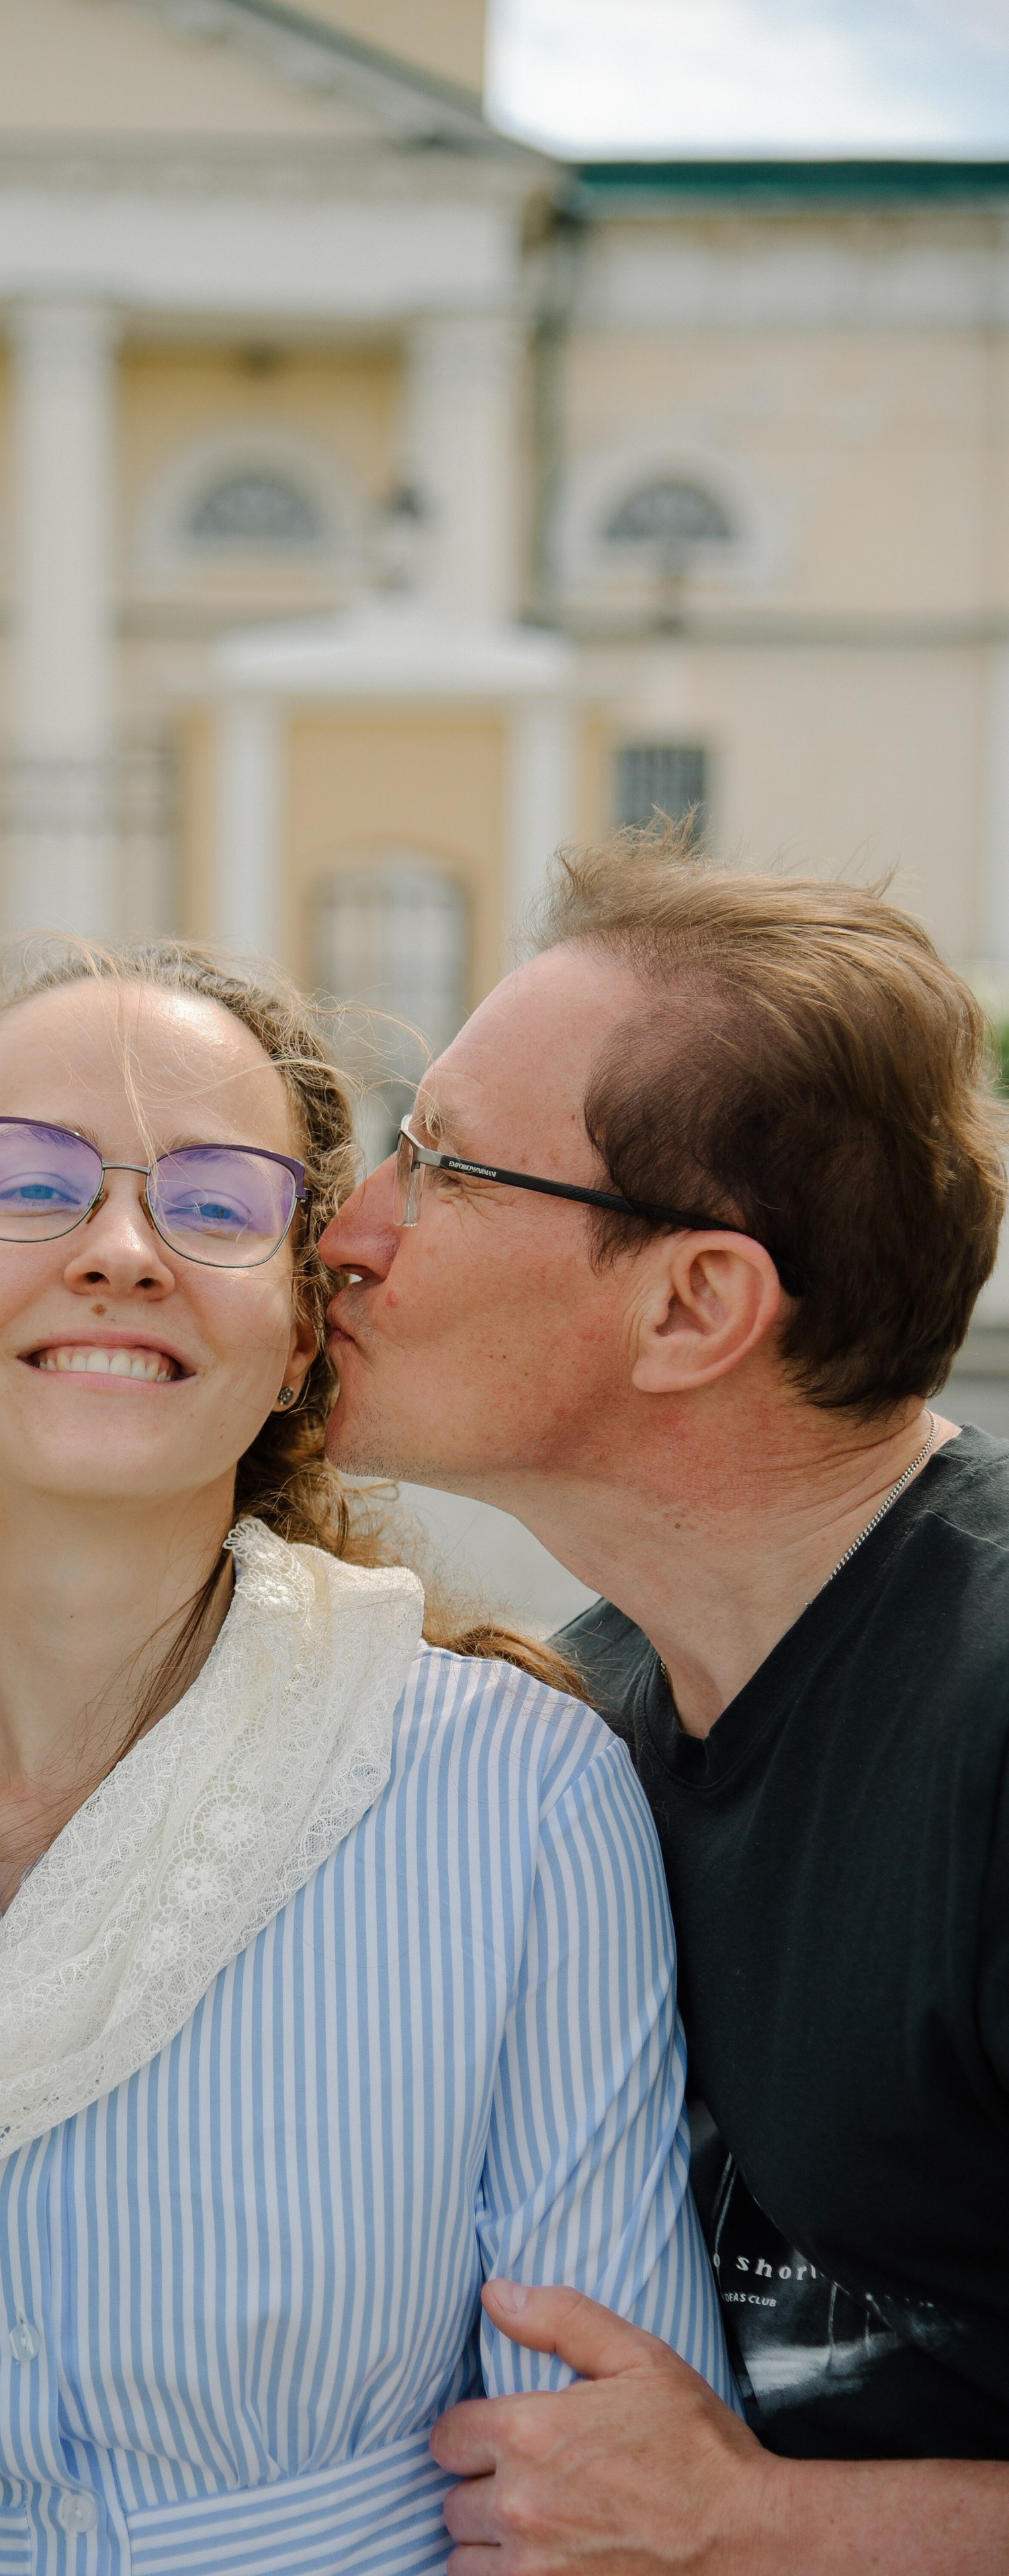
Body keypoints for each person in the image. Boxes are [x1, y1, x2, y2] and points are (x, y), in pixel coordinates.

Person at [0, 938, 730, 2576]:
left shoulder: (511, 1792)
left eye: (215, 1204)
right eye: (29, 1183)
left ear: (297, 1332)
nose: (120, 1251)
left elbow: (595, 2499)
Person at [319, 830, 1009, 2573]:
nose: (347, 1231)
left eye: (440, 1164)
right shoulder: (587, 1711)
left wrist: (757, 2519)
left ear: (693, 1302)